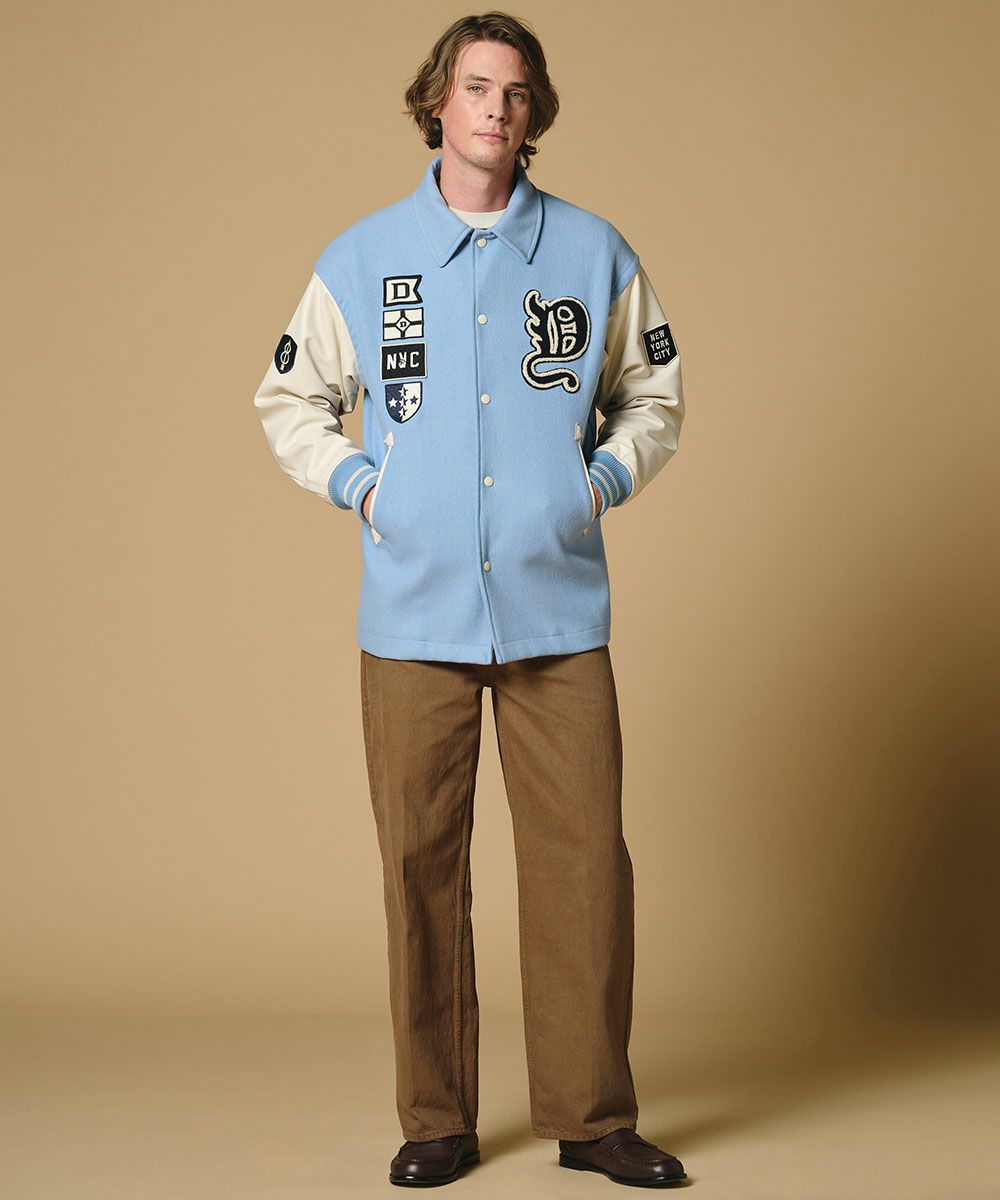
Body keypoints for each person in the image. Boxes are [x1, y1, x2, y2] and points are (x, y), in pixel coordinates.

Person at [253, 11, 687, 1188]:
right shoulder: (362, 258)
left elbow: (652, 392)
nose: (496, 108)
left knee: (584, 866)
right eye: (476, 87)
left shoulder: (592, 251)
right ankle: (436, 1117)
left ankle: (591, 1118)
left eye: (516, 91)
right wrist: (364, 486)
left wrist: (597, 483)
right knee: (419, 869)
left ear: (534, 114)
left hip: (557, 613)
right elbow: (289, 401)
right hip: (413, 616)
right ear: (435, 104)